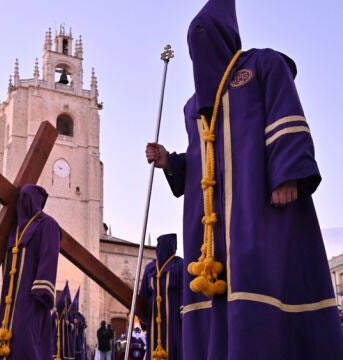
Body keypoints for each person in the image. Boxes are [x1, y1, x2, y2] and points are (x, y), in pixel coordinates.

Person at [145, 0, 343, 358]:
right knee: (216, 297)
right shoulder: (193, 107)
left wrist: (287, 173)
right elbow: (200, 159)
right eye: (194, 40)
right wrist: (169, 163)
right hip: (209, 227)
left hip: (258, 203)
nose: (199, 46)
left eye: (205, 35)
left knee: (258, 278)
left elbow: (287, 113)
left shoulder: (263, 65)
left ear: (224, 35)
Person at [0, 184, 61, 359]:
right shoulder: (11, 228)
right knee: (5, 339)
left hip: (32, 300)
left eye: (27, 197)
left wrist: (41, 292)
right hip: (9, 300)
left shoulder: (48, 224)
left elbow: (49, 256)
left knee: (27, 344)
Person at [138, 233, 183, 359]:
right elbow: (143, 295)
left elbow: (186, 292)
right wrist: (143, 320)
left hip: (174, 319)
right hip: (154, 319)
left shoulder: (180, 265)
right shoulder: (150, 268)